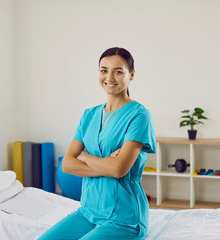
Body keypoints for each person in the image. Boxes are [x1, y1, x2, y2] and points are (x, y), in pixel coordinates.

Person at [38, 47, 156, 240]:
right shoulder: (89, 115)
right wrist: (106, 165)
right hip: (88, 211)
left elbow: (119, 170)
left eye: (118, 71)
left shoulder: (139, 115)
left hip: (123, 217)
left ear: (131, 75)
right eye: (103, 70)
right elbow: (67, 164)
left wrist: (85, 156)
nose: (109, 77)